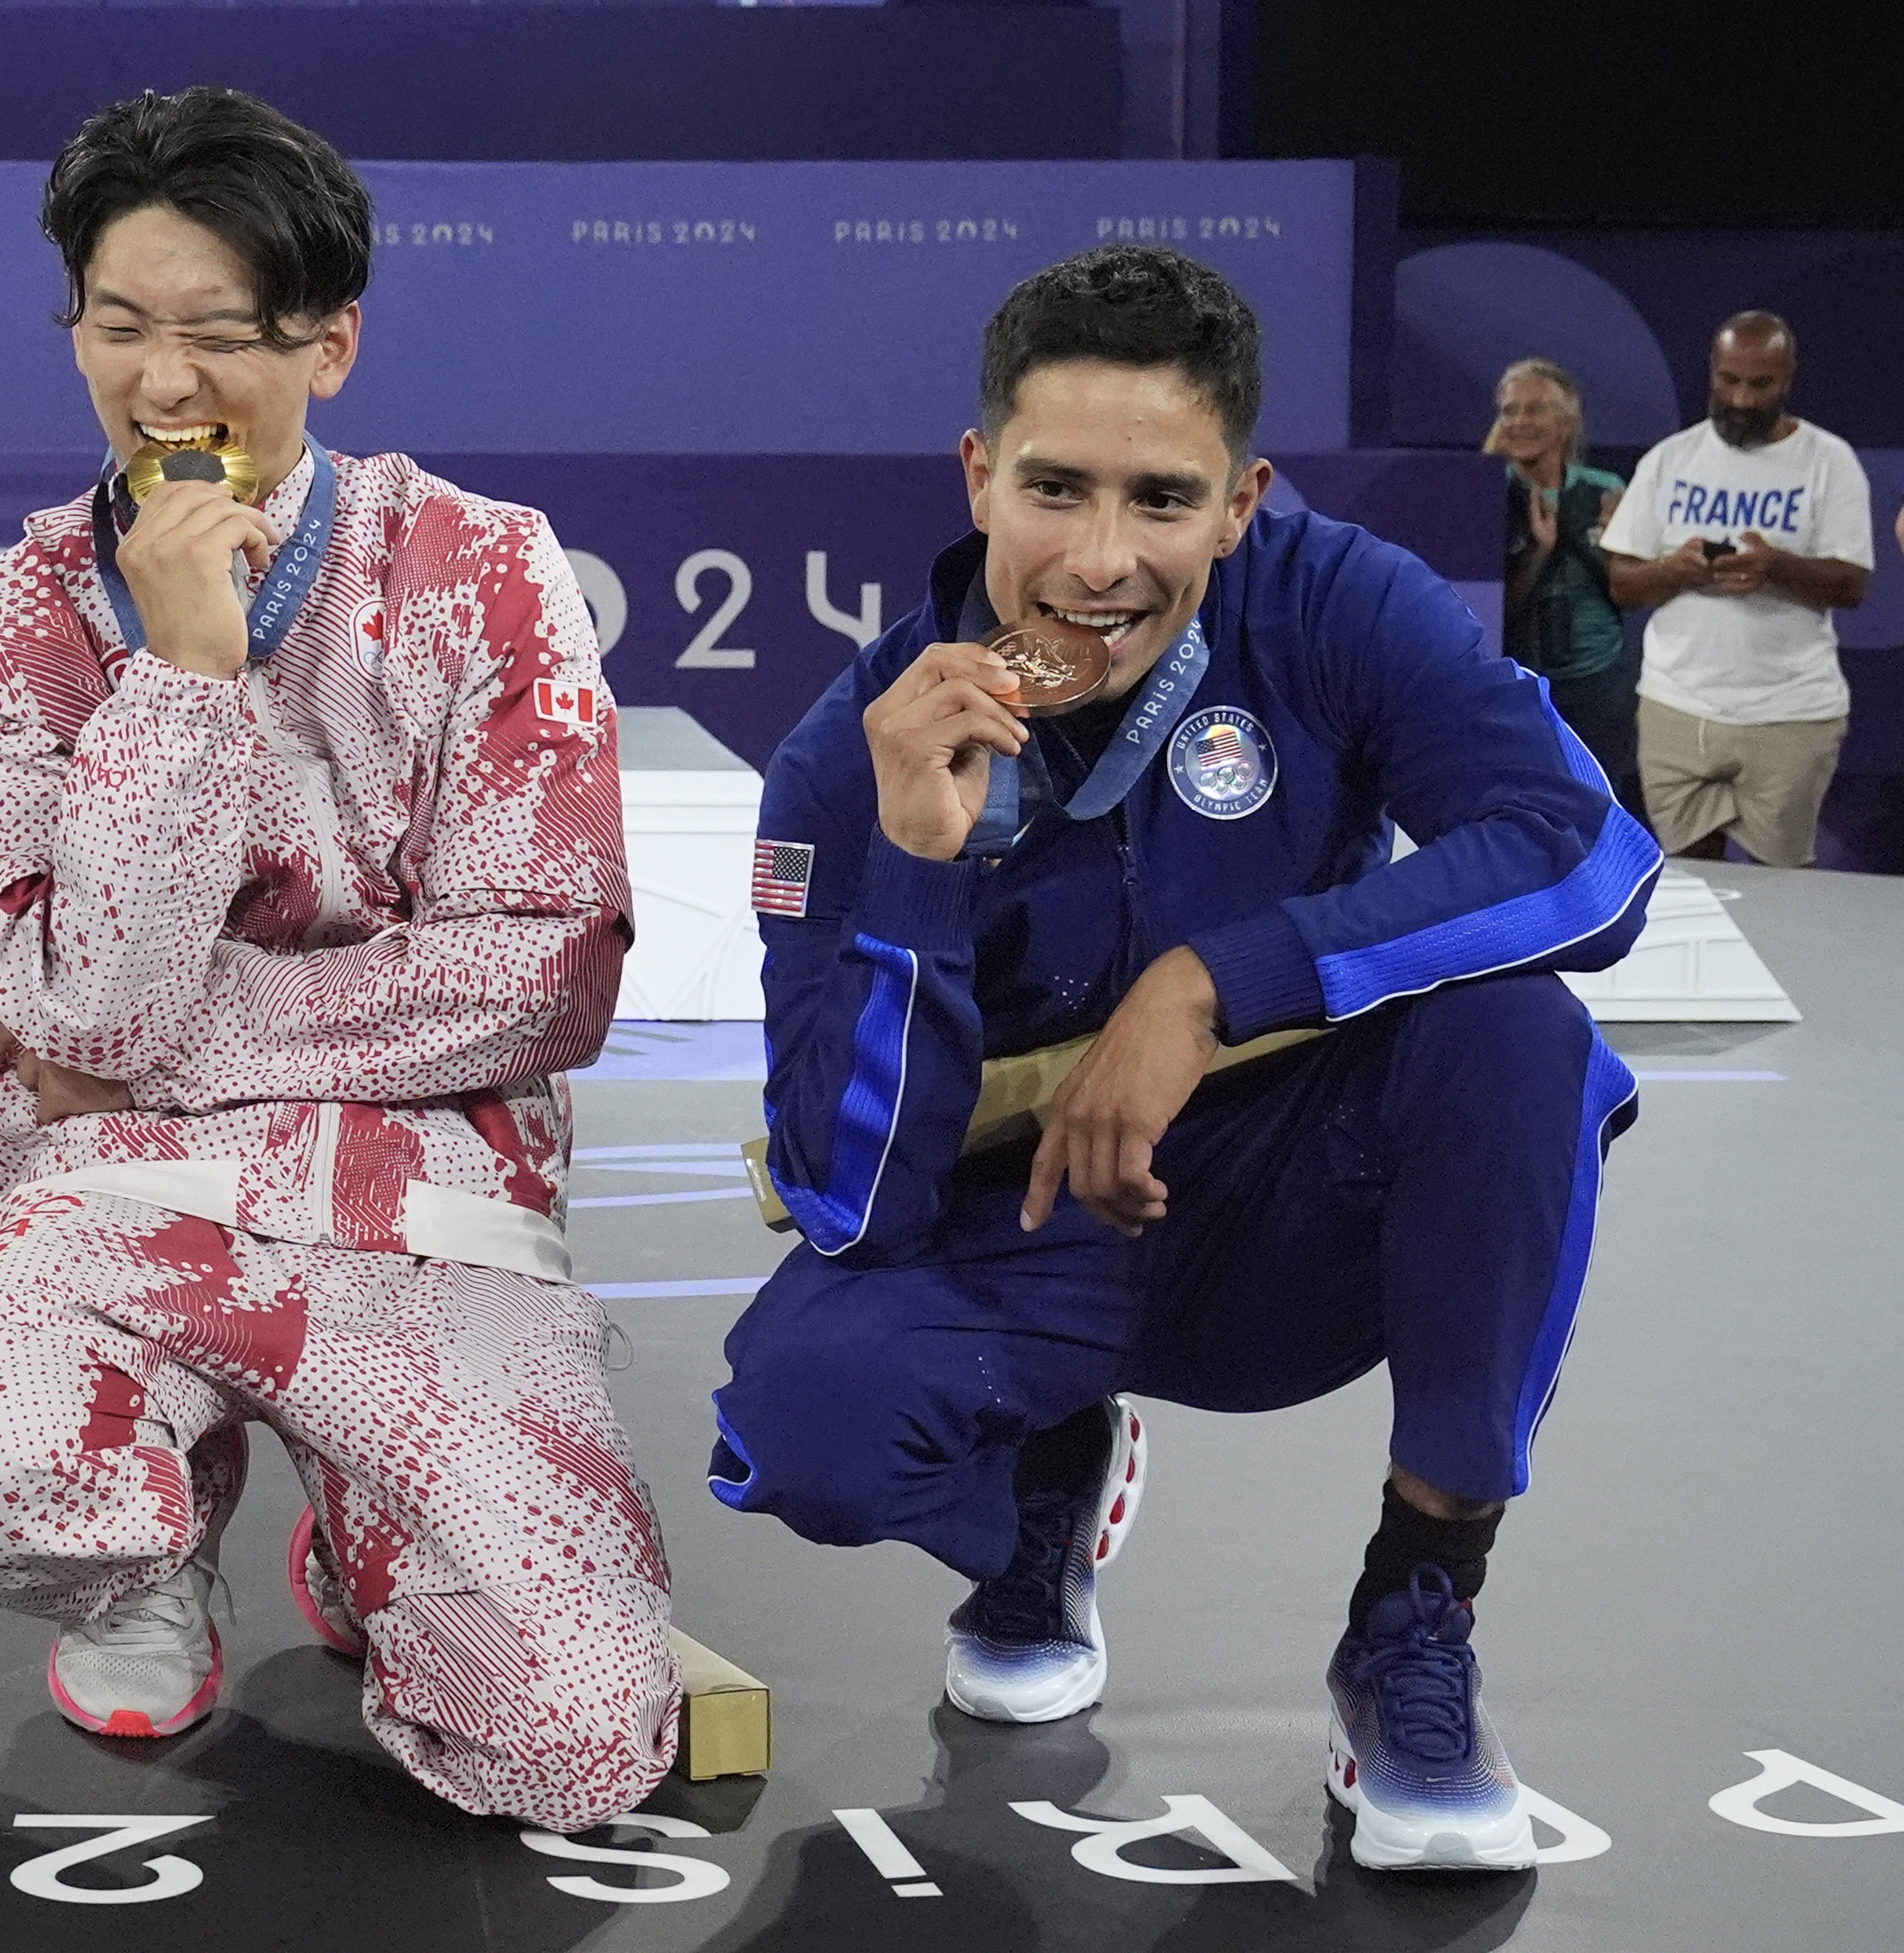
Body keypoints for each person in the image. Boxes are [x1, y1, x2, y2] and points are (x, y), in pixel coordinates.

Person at [706, 244, 1659, 1872]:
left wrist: (1215, 979)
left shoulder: (1331, 598)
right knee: (806, 1415)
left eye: (1161, 501)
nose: (1097, 560)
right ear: (976, 475)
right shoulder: (846, 755)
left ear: (1241, 501)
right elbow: (839, 1194)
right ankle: (1037, 1479)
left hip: (1293, 1206)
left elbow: (1586, 861)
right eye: (1054, 489)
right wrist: (916, 869)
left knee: (1521, 1036)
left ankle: (1412, 1613)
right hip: (1023, 1238)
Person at [0, 87, 672, 1832]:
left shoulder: (483, 571)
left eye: (221, 335)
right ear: (69, 324)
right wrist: (185, 667)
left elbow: (545, 972)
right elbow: (73, 1008)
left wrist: (174, 1048)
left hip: (416, 1218)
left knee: (580, 1747)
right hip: (109, 1214)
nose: (165, 385)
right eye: (121, 325)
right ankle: (141, 1551)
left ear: (331, 342)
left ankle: (371, 1531)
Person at [1601, 310, 1873, 866]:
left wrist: (1774, 565)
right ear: (1712, 373)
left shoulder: (1829, 462)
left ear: (1788, 378)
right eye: (1729, 380)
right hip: (1677, 707)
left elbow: (1851, 585)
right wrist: (1675, 572)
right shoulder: (1669, 461)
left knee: (1784, 893)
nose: (1742, 400)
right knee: (1687, 883)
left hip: (1790, 712)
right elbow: (1624, 585)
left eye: (1760, 384)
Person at [1487, 358, 1638, 804]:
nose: (1519, 422)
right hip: (1519, 682)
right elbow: (1487, 608)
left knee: (1598, 807)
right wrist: (1541, 552)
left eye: (1534, 410)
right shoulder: (1485, 493)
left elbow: (1628, 592)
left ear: (1567, 421)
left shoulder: (1605, 491)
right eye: (1509, 411)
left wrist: (1613, 548)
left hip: (1598, 683)